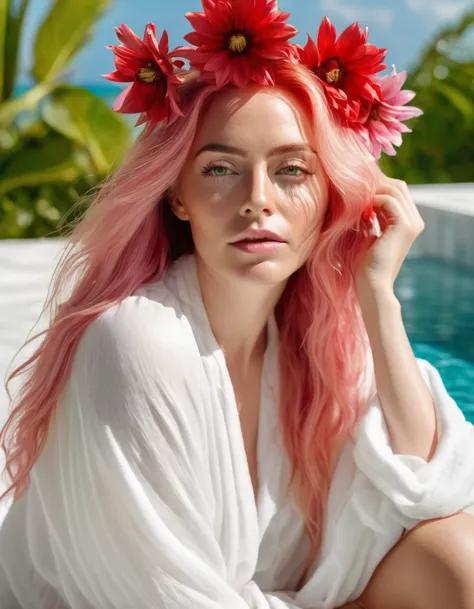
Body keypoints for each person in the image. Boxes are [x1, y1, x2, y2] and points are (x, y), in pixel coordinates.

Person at [1, 2, 474, 608]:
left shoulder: (318, 335)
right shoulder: (140, 345)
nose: (257, 200)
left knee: (457, 556)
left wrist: (377, 297)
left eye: (292, 171)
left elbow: (433, 483)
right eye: (221, 168)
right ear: (177, 194)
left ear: (331, 193)